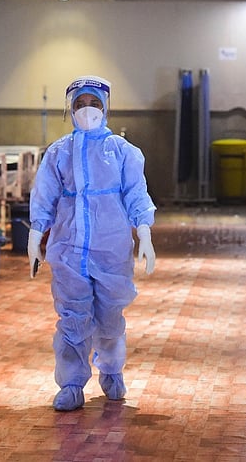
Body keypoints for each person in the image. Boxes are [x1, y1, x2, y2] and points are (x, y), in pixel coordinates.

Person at [27, 75, 157, 411]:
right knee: (72, 317)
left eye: (94, 104)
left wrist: (144, 230)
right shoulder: (58, 153)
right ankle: (71, 384)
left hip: (110, 246)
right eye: (80, 104)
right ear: (70, 109)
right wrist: (34, 234)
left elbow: (135, 194)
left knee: (110, 318)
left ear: (106, 108)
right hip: (69, 247)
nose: (87, 111)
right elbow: (44, 197)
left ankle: (112, 371)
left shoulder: (123, 152)